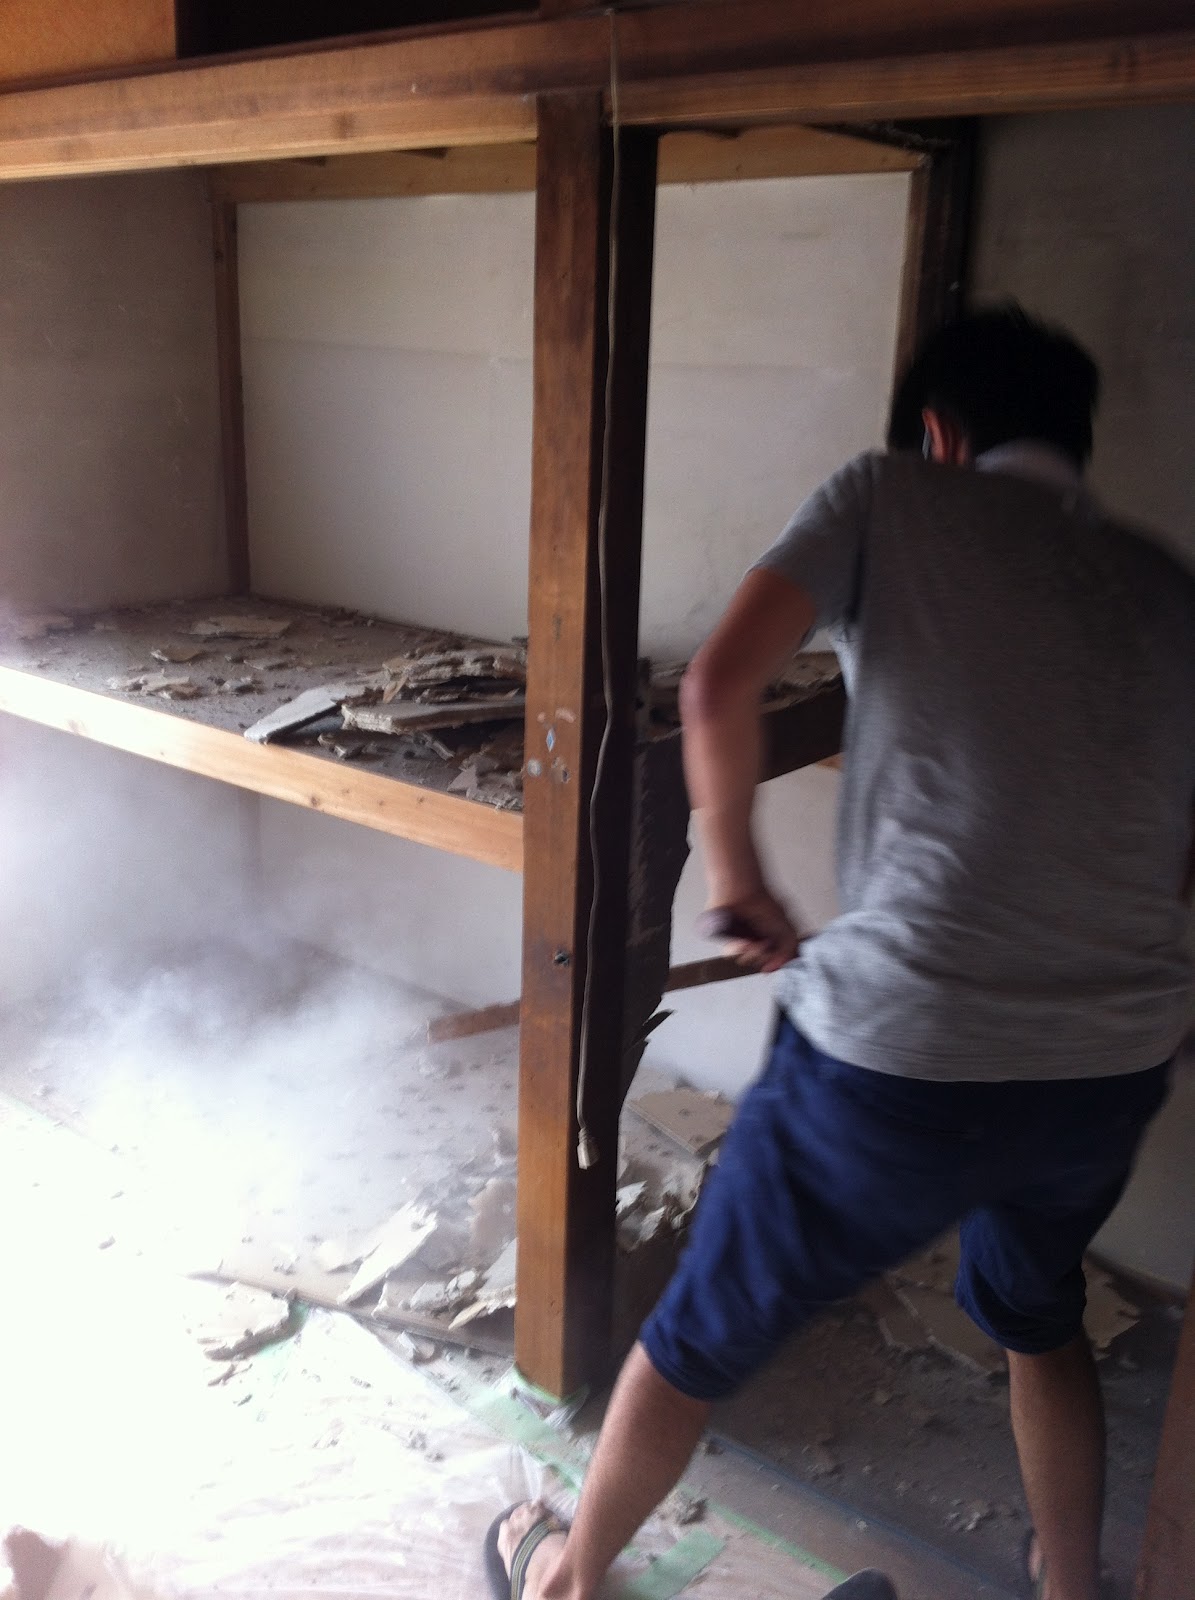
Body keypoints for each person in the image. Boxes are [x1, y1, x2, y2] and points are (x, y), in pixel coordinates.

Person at [488, 306, 1195, 1600]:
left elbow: (716, 685)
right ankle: (1071, 1583)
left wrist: (741, 883)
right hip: (1108, 1068)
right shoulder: (1163, 584)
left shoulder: (889, 497)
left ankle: (568, 1578)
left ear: (939, 434)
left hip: (902, 1055)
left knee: (699, 1334)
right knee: (1040, 1318)